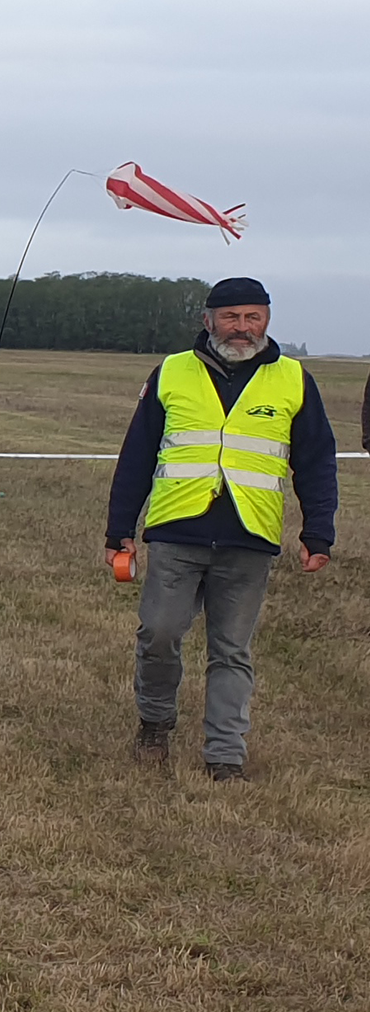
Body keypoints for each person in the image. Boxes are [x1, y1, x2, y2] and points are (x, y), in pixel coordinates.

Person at [105, 277, 335, 780]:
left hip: (249, 537)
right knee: (159, 635)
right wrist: (118, 527)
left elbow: (317, 462)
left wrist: (319, 531)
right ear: (208, 320)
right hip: (176, 531)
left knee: (232, 650)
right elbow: (137, 455)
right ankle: (155, 723)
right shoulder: (171, 373)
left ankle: (225, 756)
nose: (242, 327)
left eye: (253, 317)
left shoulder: (294, 380)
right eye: (231, 317)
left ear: (267, 320)